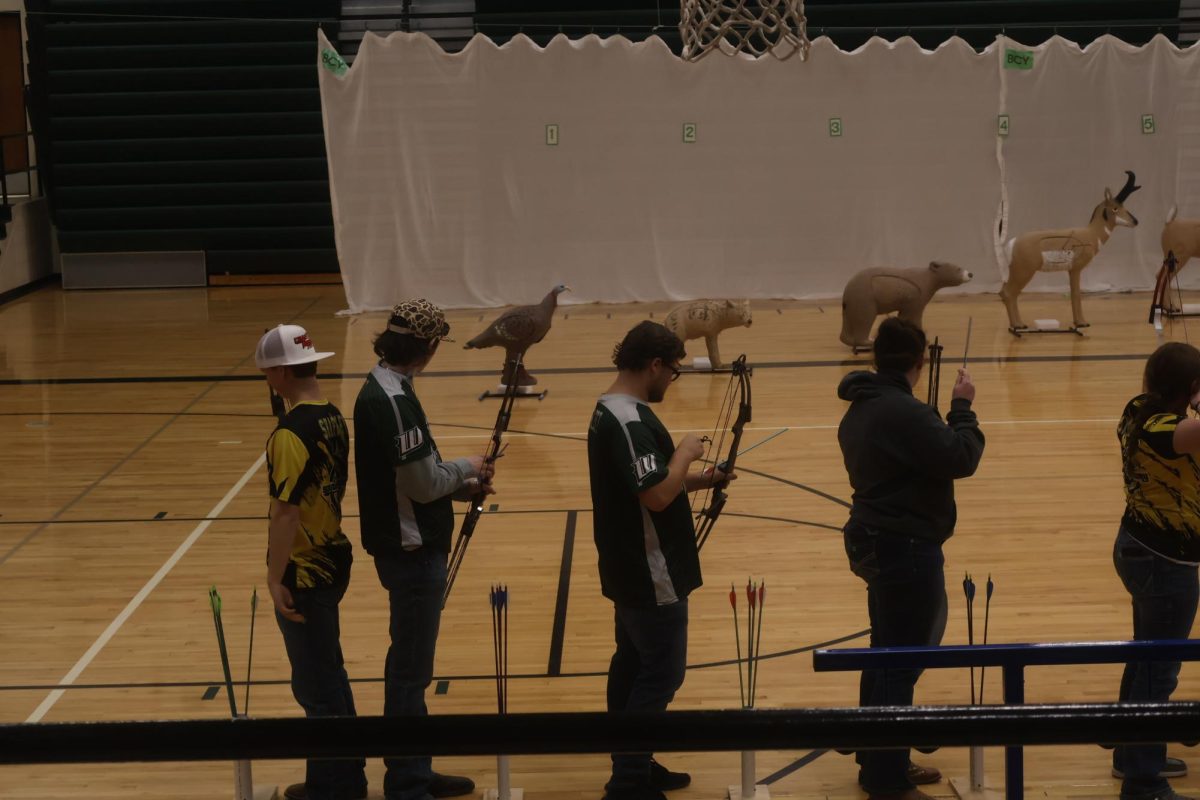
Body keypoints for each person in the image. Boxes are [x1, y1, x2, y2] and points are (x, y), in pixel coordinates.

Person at [836, 317, 985, 800]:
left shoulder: (863, 405)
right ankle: (886, 776)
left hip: (875, 539)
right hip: (904, 546)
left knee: (885, 652)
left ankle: (878, 754)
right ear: (920, 363)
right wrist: (962, 408)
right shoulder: (903, 411)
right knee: (900, 661)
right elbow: (962, 458)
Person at [587, 320, 735, 800]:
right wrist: (686, 455)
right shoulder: (629, 420)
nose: (673, 379)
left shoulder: (613, 410)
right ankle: (627, 780)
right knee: (661, 673)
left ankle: (636, 761)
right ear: (654, 365)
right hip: (650, 573)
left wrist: (699, 479)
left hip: (633, 567)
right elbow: (654, 496)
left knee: (633, 666)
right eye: (673, 371)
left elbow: (646, 485)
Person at [354, 299, 492, 800]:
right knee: (410, 671)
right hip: (412, 553)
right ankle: (407, 781)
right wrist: (467, 468)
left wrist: (461, 486)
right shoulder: (391, 401)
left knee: (411, 667)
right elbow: (421, 484)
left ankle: (414, 767)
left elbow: (412, 478)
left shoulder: (390, 388)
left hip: (410, 547)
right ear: (429, 347)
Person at [255, 324, 367, 800]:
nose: (266, 380)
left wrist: (274, 576)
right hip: (333, 559)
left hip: (305, 570)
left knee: (316, 689)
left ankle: (332, 787)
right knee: (331, 675)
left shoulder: (288, 433)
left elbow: (285, 514)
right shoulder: (332, 416)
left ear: (280, 372)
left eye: (266, 372)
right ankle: (348, 775)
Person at [1112, 341, 1200, 800]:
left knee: (1144, 658)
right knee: (1158, 671)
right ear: (1188, 388)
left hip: (1139, 549)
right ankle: (1143, 780)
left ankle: (1132, 753)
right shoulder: (1165, 428)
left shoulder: (1136, 409)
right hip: (1164, 564)